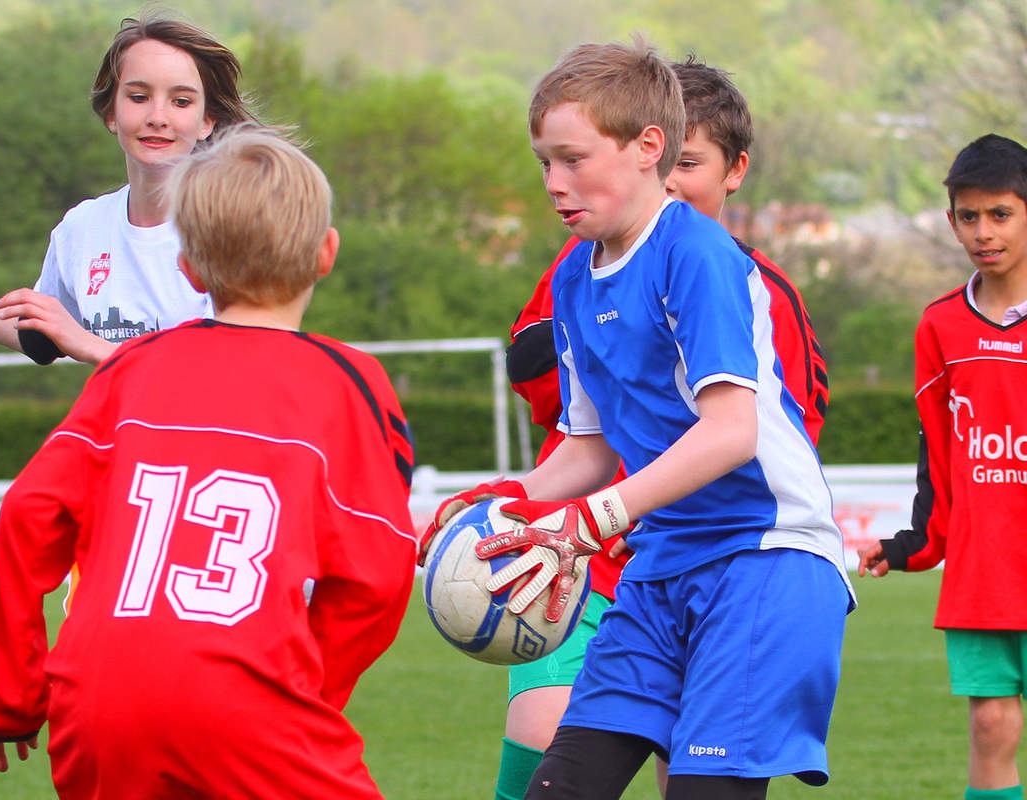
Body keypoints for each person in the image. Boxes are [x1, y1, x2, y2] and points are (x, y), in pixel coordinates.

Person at [425, 38, 853, 800]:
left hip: (766, 560)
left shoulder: (698, 255)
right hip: (660, 569)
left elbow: (731, 431)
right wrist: (511, 500)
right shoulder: (571, 276)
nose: (554, 184)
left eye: (573, 159)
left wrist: (585, 524)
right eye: (543, 163)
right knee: (562, 786)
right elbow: (588, 448)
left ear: (648, 146)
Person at [0, 126, 418, 798]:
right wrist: (312, 688)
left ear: (189, 269)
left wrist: (6, 693)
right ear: (327, 253)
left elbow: (31, 511)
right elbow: (378, 571)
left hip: (95, 705)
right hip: (249, 700)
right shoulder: (350, 384)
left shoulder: (129, 370)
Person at [0, 13, 254, 365]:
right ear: (111, 112)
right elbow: (37, 334)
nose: (158, 116)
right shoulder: (83, 227)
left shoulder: (232, 231)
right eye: (139, 96)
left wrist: (94, 347)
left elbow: (228, 376)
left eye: (181, 101)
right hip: (119, 456)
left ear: (207, 120)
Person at [858, 133, 1027, 800]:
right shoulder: (940, 328)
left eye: (1001, 214)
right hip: (986, 568)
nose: (982, 232)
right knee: (990, 724)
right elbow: (941, 454)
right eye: (968, 215)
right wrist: (913, 545)